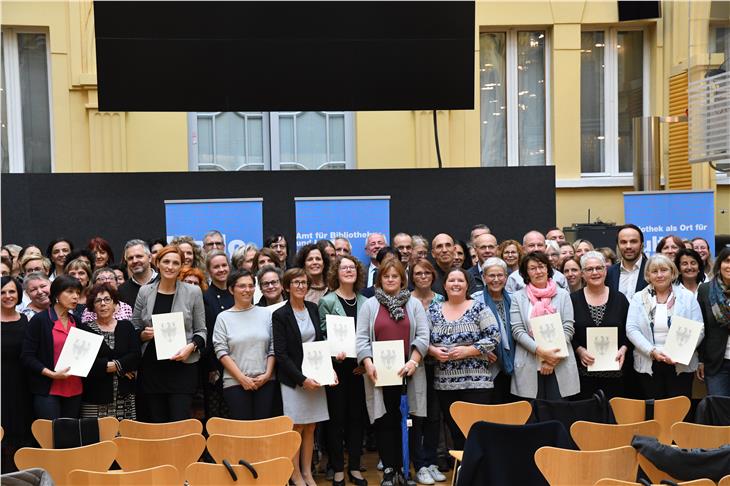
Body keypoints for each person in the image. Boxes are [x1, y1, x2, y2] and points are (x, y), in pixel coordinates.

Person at [356, 257, 429, 486]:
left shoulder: (414, 304)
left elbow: (423, 337)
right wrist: (368, 363)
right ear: (379, 279)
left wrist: (414, 362)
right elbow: (361, 340)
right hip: (379, 376)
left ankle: (405, 470)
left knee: (408, 422)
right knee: (384, 422)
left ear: (402, 279)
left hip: (409, 373)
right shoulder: (369, 305)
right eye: (386, 276)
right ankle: (389, 469)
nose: (390, 279)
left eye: (394, 276)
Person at [132, 245, 206, 422]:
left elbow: (201, 331)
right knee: (157, 425)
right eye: (166, 261)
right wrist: (143, 335)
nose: (170, 266)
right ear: (157, 263)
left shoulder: (193, 292)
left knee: (179, 424)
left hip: (183, 367)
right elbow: (134, 327)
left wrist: (191, 347)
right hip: (152, 369)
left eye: (175, 263)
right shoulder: (144, 291)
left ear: (181, 266)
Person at [428, 268, 498, 453]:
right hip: (445, 383)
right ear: (444, 285)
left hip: (476, 383)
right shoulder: (434, 309)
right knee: (456, 433)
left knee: (476, 433)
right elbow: (422, 339)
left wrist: (468, 351)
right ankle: (463, 474)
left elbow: (493, 337)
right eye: (452, 280)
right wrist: (433, 351)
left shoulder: (479, 307)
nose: (456, 284)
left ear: (467, 285)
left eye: (460, 280)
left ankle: (479, 475)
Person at [272, 268, 331, 486]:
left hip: (316, 378)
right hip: (294, 380)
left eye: (304, 282)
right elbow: (281, 354)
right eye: (296, 282)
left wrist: (329, 369)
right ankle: (295, 474)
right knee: (296, 427)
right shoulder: (280, 315)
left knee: (311, 427)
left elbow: (320, 343)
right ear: (287, 287)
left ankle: (307, 473)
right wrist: (301, 379)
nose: (301, 286)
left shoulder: (314, 308)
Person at [318, 256, 368, 486]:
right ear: (336, 272)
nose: (348, 271)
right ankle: (338, 468)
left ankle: (355, 467)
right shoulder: (327, 301)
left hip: (360, 369)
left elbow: (370, 336)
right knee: (336, 420)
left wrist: (366, 362)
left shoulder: (365, 301)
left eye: (352, 267)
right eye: (344, 267)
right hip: (336, 368)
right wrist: (332, 353)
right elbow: (322, 335)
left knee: (357, 420)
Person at [626, 254, 703, 399]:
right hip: (649, 361)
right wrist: (652, 351)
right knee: (655, 409)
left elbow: (699, 329)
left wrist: (680, 353)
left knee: (680, 409)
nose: (659, 275)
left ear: (672, 272)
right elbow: (631, 329)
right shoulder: (638, 298)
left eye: (664, 270)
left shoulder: (687, 297)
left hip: (680, 363)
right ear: (648, 275)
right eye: (654, 271)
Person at [510, 252, 579, 400]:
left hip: (559, 361)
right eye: (533, 268)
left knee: (559, 413)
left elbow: (568, 327)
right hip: (529, 361)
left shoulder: (563, 295)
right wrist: (541, 352)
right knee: (532, 414)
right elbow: (517, 331)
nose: (538, 271)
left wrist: (552, 358)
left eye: (541, 266)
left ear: (548, 268)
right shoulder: (517, 297)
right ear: (526, 273)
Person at [213, 269, 277, 420]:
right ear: (231, 289)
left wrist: (267, 375)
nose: (247, 290)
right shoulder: (223, 318)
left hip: (266, 382)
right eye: (242, 286)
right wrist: (242, 378)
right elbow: (221, 351)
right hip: (235, 383)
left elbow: (273, 347)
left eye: (250, 285)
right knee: (243, 433)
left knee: (264, 430)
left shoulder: (266, 314)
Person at [21, 275, 84, 419]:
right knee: (49, 436)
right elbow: (27, 357)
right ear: (56, 294)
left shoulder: (77, 321)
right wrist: (52, 374)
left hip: (75, 387)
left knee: (71, 436)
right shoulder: (40, 320)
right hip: (47, 389)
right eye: (70, 292)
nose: (75, 297)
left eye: (78, 293)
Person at [570, 252, 630, 399]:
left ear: (605, 270)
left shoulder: (620, 299)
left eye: (599, 268)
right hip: (582, 375)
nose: (595, 272)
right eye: (589, 269)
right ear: (582, 274)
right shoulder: (572, 300)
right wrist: (579, 350)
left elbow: (631, 330)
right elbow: (567, 333)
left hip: (616, 374)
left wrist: (624, 348)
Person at [79, 283, 139, 420]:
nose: (103, 304)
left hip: (124, 396)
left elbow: (135, 356)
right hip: (95, 395)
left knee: (125, 437)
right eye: (98, 300)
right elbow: (84, 363)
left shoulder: (126, 327)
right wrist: (118, 367)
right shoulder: (84, 330)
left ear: (115, 304)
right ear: (92, 306)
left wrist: (115, 365)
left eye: (107, 299)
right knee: (96, 438)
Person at [471, 257, 515, 404]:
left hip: (515, 362)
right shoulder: (474, 301)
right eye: (491, 275)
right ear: (484, 278)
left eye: (500, 275)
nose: (496, 279)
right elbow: (470, 332)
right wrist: (482, 349)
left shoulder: (516, 299)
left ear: (506, 277)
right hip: (488, 364)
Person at [1, 276, 33, 472]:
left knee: (20, 431)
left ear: (19, 294)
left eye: (12, 291)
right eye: (2, 292)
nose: (7, 296)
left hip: (22, 384)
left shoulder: (26, 320)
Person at [202, 249, 233, 420]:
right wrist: (212, 368)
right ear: (209, 271)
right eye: (216, 267)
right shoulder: (205, 298)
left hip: (239, 364)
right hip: (215, 367)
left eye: (224, 265)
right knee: (216, 417)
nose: (221, 269)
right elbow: (206, 335)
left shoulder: (239, 293)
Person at [697, 247, 730, 396]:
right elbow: (701, 328)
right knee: (718, 410)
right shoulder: (705, 290)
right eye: (727, 261)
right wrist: (701, 360)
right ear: (720, 264)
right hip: (716, 363)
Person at [606, 224, 648, 301]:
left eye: (633, 241)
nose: (628, 246)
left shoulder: (651, 270)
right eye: (623, 242)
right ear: (618, 245)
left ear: (641, 245)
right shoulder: (609, 273)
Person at [117, 239, 158, 307]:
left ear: (150, 257)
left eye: (139, 256)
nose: (135, 261)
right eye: (130, 258)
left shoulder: (165, 282)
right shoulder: (122, 291)